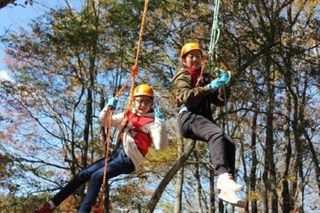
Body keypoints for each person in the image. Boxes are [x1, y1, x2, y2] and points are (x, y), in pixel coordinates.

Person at [34, 84, 168, 213]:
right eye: (139, 101)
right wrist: (108, 108)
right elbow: (105, 122)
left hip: (129, 159)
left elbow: (160, 146)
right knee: (83, 174)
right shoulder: (127, 114)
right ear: (133, 101)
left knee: (97, 176)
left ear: (152, 104)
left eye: (146, 102)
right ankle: (50, 205)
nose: (143, 105)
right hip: (116, 155)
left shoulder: (152, 123)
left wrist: (160, 124)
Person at [172, 42, 245, 207]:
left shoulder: (204, 77)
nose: (195, 59)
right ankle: (223, 177)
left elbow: (219, 102)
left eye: (197, 56)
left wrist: (224, 86)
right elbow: (186, 96)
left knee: (228, 143)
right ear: (184, 60)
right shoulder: (183, 74)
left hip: (202, 118)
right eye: (191, 56)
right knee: (216, 134)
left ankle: (228, 189)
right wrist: (209, 87)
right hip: (189, 117)